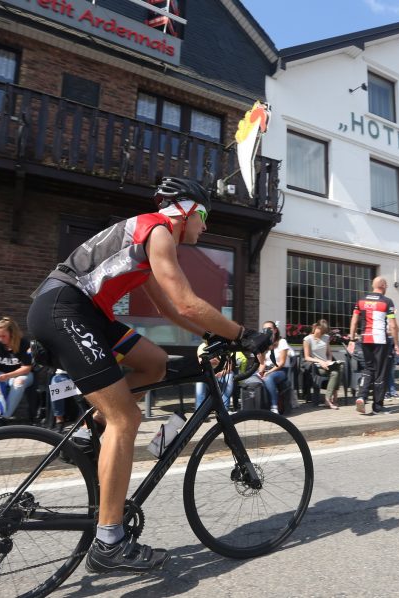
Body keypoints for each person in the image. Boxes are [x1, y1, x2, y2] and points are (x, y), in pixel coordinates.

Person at [26, 177, 269, 574]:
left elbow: (170, 310)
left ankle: (90, 431)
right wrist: (243, 334)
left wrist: (212, 335)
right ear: (186, 210)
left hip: (86, 313)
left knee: (154, 362)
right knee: (126, 418)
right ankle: (109, 542)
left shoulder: (149, 240)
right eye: (204, 217)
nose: (205, 227)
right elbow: (187, 302)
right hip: (66, 310)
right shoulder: (157, 230)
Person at [347, 277, 399, 415]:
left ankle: (361, 396)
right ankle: (377, 407)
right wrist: (396, 344)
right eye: (386, 284)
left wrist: (352, 339)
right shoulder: (387, 301)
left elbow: (354, 320)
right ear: (382, 285)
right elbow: (393, 325)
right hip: (380, 340)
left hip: (365, 339)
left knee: (369, 368)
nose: (387, 287)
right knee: (381, 372)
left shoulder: (361, 300)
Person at [303, 321, 341, 409]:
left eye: (324, 332)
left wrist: (329, 361)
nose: (322, 334)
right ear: (316, 327)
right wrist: (320, 361)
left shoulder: (326, 337)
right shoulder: (307, 339)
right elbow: (307, 357)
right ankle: (333, 398)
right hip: (317, 366)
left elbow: (329, 353)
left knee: (338, 369)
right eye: (321, 331)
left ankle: (328, 399)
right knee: (336, 373)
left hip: (327, 364)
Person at [259, 321, 291, 414]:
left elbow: (281, 363)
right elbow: (262, 363)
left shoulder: (282, 342)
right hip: (267, 369)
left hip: (280, 370)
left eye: (270, 328)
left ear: (275, 330)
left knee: (268, 378)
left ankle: (274, 406)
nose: (267, 331)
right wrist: (260, 372)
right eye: (265, 329)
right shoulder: (264, 344)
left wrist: (268, 373)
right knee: (252, 378)